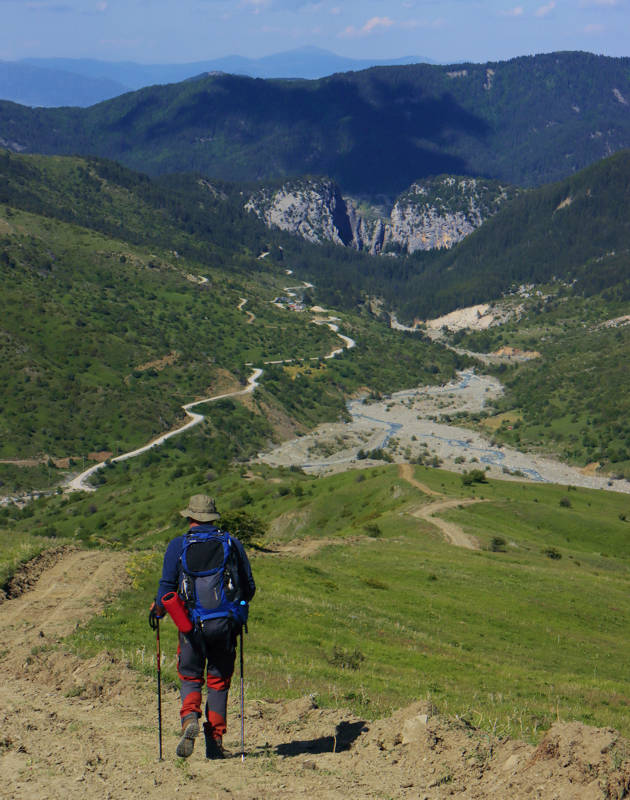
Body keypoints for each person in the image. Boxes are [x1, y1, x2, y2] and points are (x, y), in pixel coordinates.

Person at [150, 494, 255, 760]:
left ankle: (189, 719)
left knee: (190, 675)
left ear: (190, 518)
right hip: (225, 625)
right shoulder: (231, 542)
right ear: (213, 517)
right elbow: (249, 587)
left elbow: (166, 588)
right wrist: (237, 607)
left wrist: (158, 611)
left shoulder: (178, 545)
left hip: (190, 625)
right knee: (218, 680)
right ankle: (215, 739)